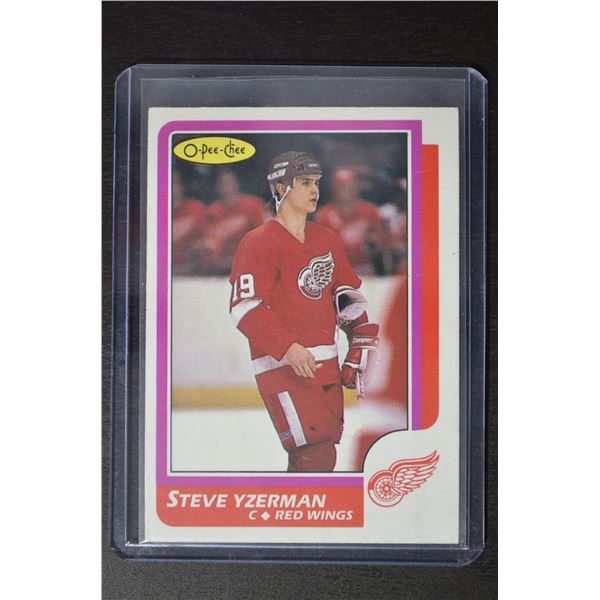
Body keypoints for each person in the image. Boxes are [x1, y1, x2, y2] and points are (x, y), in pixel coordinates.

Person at [229, 151, 379, 472]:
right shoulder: (258, 242)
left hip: (327, 369)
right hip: (284, 369)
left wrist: (360, 338)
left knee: (318, 459)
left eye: (317, 183)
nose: (315, 190)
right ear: (281, 188)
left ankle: (291, 506)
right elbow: (245, 307)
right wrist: (288, 348)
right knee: (315, 456)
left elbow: (346, 298)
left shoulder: (327, 240)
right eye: (306, 183)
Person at [194, 169, 267, 274]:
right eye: (223, 184)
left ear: (236, 184)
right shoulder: (213, 210)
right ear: (218, 187)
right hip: (221, 269)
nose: (227, 187)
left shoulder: (253, 205)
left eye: (229, 182)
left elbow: (265, 235)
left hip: (249, 265)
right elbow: (208, 242)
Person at [315, 167, 385, 275]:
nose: (347, 191)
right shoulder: (324, 215)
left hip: (363, 267)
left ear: (357, 188)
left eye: (350, 186)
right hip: (335, 269)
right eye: (342, 187)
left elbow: (380, 243)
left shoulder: (370, 211)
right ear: (334, 189)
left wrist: (372, 244)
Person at [171, 170, 207, 275]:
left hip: (191, 272)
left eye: (175, 182)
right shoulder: (153, 212)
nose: (172, 187)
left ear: (182, 186)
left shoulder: (195, 208)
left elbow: (208, 240)